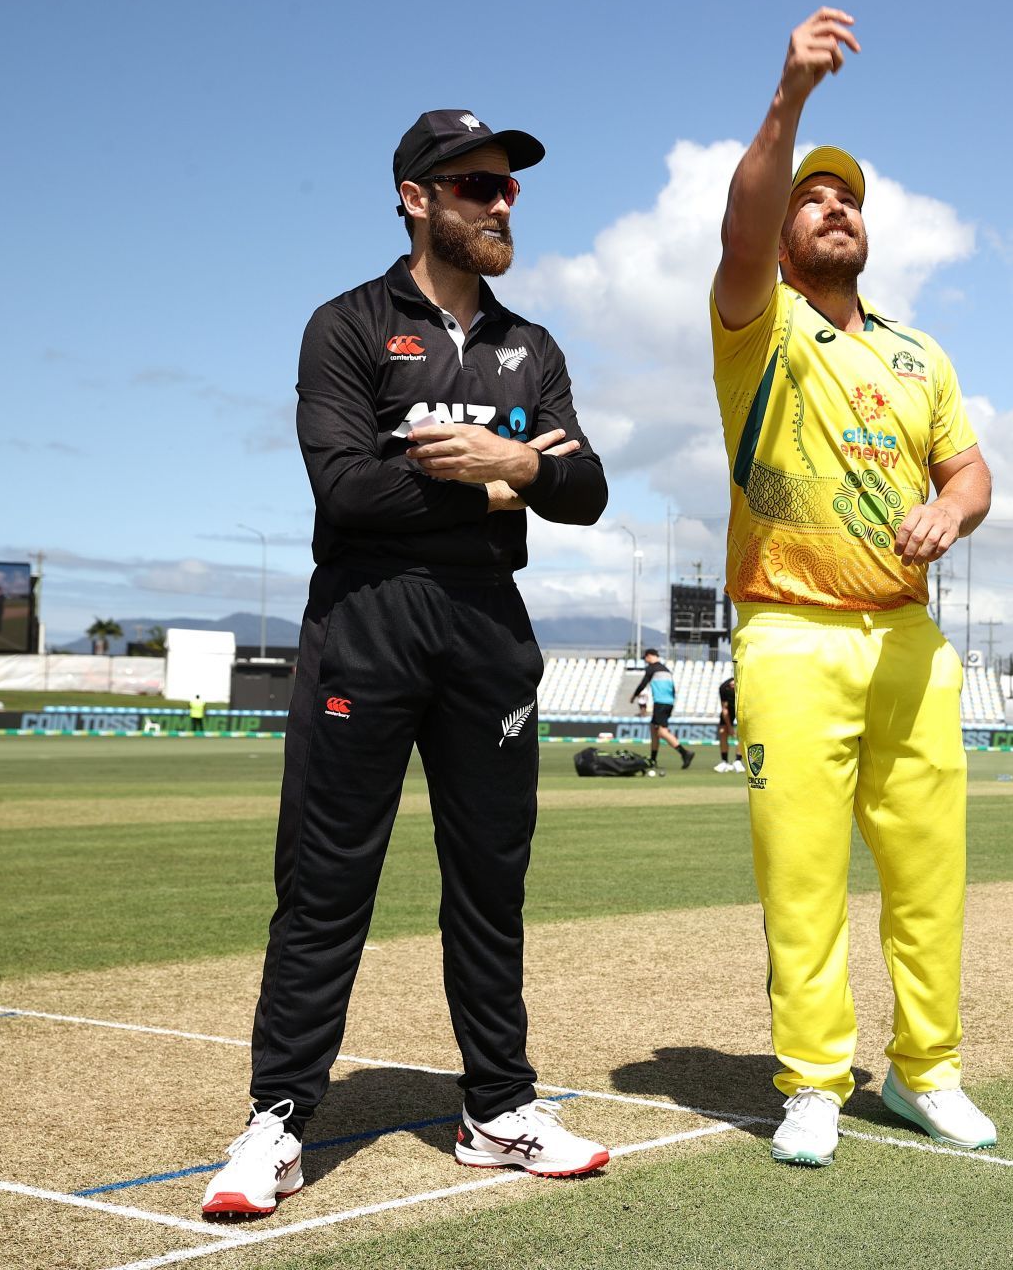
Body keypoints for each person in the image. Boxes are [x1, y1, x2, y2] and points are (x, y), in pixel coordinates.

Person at [200, 109, 612, 1221]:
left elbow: (589, 489)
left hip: (489, 627)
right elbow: (348, 489)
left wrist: (519, 458)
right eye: (476, 184)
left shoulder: (535, 346)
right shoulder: (345, 325)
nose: (501, 202)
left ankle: (498, 1106)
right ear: (415, 197)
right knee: (327, 879)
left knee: (491, 880)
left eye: (509, 185)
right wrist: (497, 480)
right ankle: (279, 1119)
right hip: (366, 616)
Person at [712, 7, 996, 1167]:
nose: (835, 206)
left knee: (930, 876)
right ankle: (815, 1081)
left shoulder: (920, 351)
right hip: (789, 628)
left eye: (850, 199)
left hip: (910, 642)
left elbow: (971, 469)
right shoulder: (757, 319)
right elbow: (739, 221)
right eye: (812, 198)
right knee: (805, 878)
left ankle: (925, 1072)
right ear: (781, 235)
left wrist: (953, 508)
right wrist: (790, 102)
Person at [629, 648, 694, 769]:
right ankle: (653, 760)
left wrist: (633, 696)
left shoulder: (651, 668)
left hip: (660, 702)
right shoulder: (667, 670)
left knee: (661, 731)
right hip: (668, 703)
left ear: (649, 656)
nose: (646, 661)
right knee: (653, 729)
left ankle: (684, 753)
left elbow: (643, 684)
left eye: (646, 658)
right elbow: (673, 689)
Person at [715, 674, 742, 772]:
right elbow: (724, 709)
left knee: (742, 733)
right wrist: (730, 727)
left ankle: (738, 761)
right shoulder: (723, 688)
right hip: (730, 709)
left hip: (742, 708)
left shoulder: (744, 686)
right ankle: (724, 761)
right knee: (722, 731)